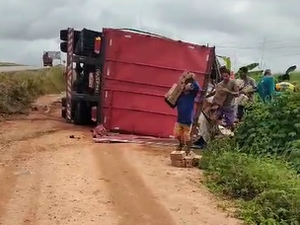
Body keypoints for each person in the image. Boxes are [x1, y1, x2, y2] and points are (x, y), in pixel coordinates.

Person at [174, 73, 200, 155]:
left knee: (186, 136)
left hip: (188, 118)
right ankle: (181, 144)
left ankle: (188, 148)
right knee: (177, 135)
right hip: (180, 117)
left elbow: (197, 87)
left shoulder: (192, 93)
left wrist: (192, 79)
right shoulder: (181, 93)